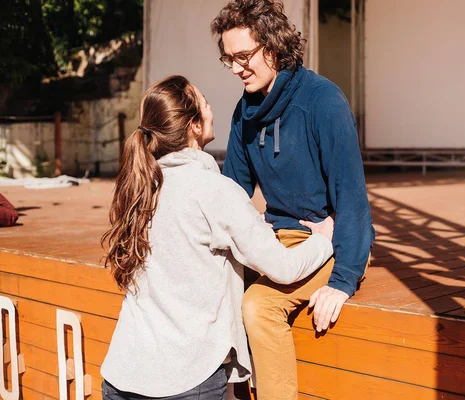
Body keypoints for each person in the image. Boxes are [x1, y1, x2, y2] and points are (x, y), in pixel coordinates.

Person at [100, 75, 334, 400]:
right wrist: (323, 238)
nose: (212, 111)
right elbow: (283, 267)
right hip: (185, 381)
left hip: (122, 375)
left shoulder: (138, 189)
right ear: (195, 126)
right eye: (206, 104)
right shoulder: (214, 191)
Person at [211, 1, 375, 398]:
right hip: (272, 241)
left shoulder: (322, 101)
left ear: (272, 47)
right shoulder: (244, 112)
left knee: (258, 308)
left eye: (243, 56)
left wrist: (343, 280)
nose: (236, 68)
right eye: (227, 59)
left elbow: (352, 197)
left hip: (323, 240)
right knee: (212, 293)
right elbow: (232, 193)